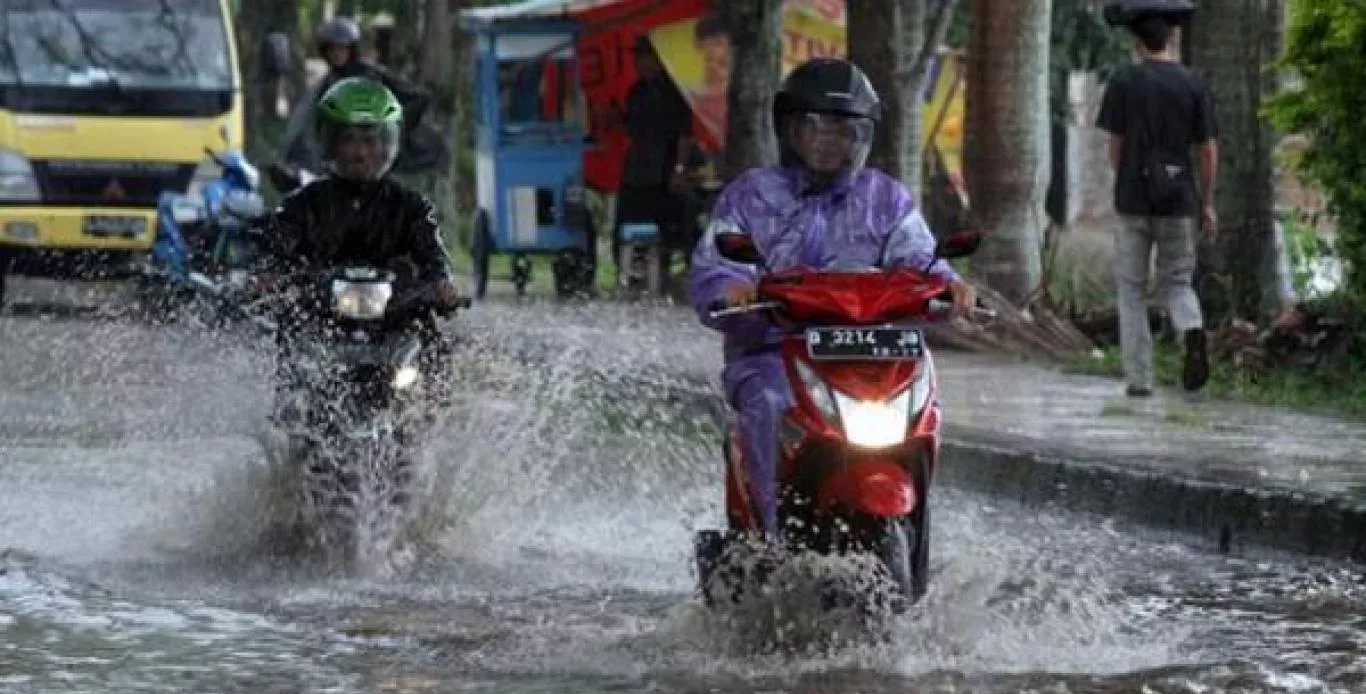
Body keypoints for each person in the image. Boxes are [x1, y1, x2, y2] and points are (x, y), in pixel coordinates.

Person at [686, 58, 977, 541]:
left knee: (925, 405)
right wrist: (730, 288)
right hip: (773, 351)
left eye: (844, 132)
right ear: (791, 130)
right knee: (769, 402)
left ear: (863, 139)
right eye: (817, 128)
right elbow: (717, 263)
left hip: (872, 352)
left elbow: (921, 259)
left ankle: (918, 536)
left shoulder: (886, 200)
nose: (830, 141)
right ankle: (769, 538)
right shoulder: (751, 196)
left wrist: (952, 286)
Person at [254, 78, 461, 415]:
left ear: (387, 144)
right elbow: (278, 246)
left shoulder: (412, 206)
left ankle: (432, 416)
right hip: (322, 315)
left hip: (392, 317)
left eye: (369, 140)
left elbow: (432, 254)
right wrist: (270, 274)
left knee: (431, 333)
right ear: (331, 144)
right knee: (289, 325)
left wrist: (442, 285)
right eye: (349, 140)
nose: (360, 152)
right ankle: (289, 416)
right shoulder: (302, 205)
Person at [1096, 13, 1218, 397]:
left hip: (1133, 200)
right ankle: (1191, 328)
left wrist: (1127, 178)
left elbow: (1114, 145)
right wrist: (1207, 202)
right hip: (1180, 199)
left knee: (1131, 290)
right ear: (1170, 38)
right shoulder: (1193, 83)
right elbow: (1208, 150)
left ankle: (1139, 379)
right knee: (1178, 281)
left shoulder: (1123, 80)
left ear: (1136, 40)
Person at [281, 17, 432, 174]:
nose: (337, 54)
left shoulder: (370, 75)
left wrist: (392, 129)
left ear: (352, 49)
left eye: (342, 48)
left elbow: (418, 98)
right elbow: (309, 121)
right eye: (332, 49)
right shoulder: (325, 84)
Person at [613, 36, 694, 292]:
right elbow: (634, 131)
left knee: (669, 224)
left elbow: (684, 134)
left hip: (665, 169)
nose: (639, 62)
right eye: (637, 57)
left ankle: (665, 273)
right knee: (627, 219)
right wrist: (618, 121)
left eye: (644, 56)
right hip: (637, 169)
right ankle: (633, 275)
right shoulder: (636, 92)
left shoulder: (674, 93)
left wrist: (679, 169)